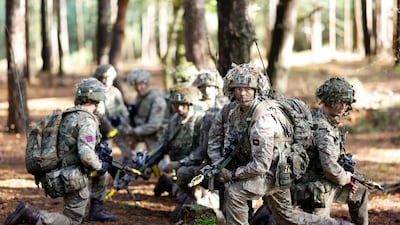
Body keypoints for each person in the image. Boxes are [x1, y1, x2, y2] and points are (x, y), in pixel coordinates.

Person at [207, 63, 353, 225]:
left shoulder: (262, 119)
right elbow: (214, 140)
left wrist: (234, 175)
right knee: (285, 217)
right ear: (231, 90)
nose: (242, 93)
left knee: (235, 193)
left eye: (247, 88)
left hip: (273, 173)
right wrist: (219, 165)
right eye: (237, 88)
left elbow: (261, 165)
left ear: (256, 90)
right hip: (274, 170)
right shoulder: (232, 112)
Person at [4, 78, 117, 225]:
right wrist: (100, 166)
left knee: (101, 176)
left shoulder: (69, 114)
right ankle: (33, 216)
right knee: (73, 220)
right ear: (97, 97)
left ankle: (96, 210)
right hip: (71, 176)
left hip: (56, 171)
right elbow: (86, 155)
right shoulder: (87, 121)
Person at [293, 77, 368, 225]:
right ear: (328, 100)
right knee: (321, 222)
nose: (342, 106)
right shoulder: (323, 128)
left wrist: (347, 178)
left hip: (325, 182)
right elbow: (330, 169)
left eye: (346, 102)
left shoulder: (325, 120)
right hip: (312, 187)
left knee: (360, 190)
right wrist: (345, 178)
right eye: (338, 101)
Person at [153, 85, 204, 197]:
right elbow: (163, 142)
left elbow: (201, 150)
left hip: (195, 165)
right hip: (178, 167)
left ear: (190, 104)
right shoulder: (174, 120)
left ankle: (168, 185)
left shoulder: (199, 121)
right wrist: (152, 160)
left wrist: (181, 163)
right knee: (183, 196)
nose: (179, 108)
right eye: (176, 105)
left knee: (190, 197)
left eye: (183, 105)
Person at [122, 68, 167, 161]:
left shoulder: (157, 99)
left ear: (147, 83)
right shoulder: (140, 97)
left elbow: (154, 125)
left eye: (142, 84)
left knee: (159, 163)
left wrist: (134, 131)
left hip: (156, 136)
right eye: (136, 85)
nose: (139, 88)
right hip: (142, 133)